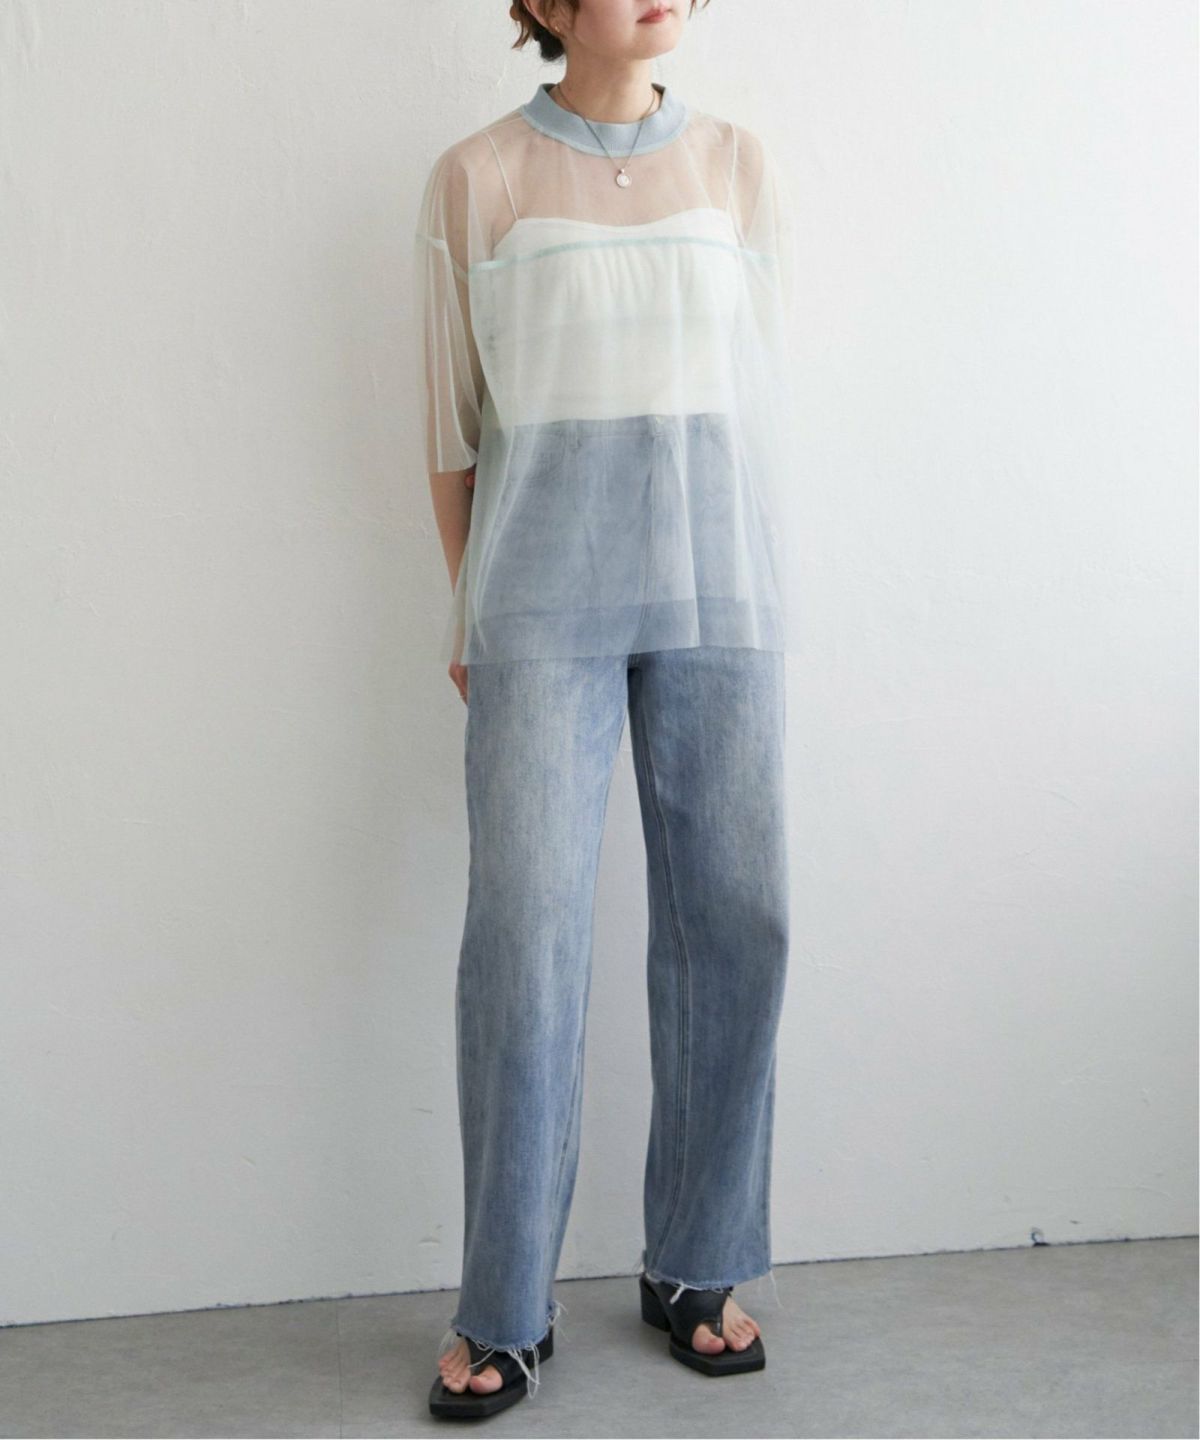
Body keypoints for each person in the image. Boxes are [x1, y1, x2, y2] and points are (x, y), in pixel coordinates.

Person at [414, 0, 800, 1419]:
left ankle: (697, 1259)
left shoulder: (739, 164)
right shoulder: (479, 176)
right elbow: (452, 423)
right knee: (524, 939)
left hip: (718, 584)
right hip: (539, 598)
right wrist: (470, 605)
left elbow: (748, 398)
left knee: (736, 915)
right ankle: (506, 1305)